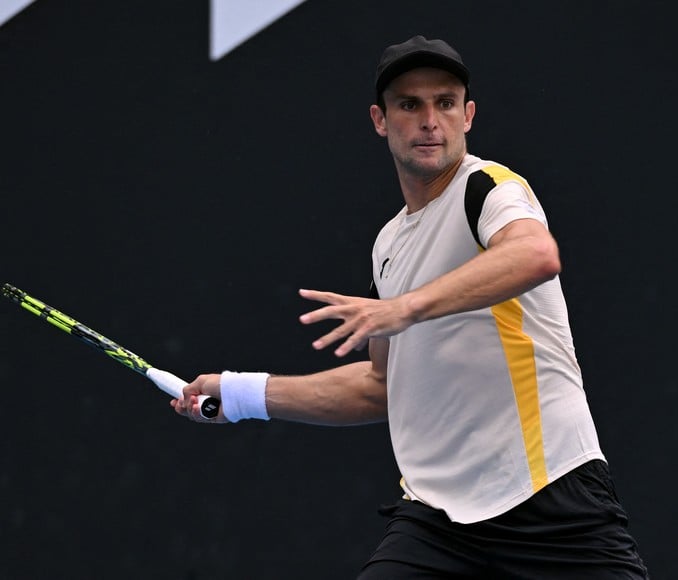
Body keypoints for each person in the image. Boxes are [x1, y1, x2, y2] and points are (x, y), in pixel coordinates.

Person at [174, 35, 649, 579]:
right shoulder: (388, 246)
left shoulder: (488, 188)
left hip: (551, 499)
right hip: (437, 523)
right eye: (409, 105)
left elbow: (535, 254)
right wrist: (239, 393)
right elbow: (382, 384)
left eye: (445, 103)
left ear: (467, 115)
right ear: (380, 120)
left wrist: (405, 309)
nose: (430, 120)